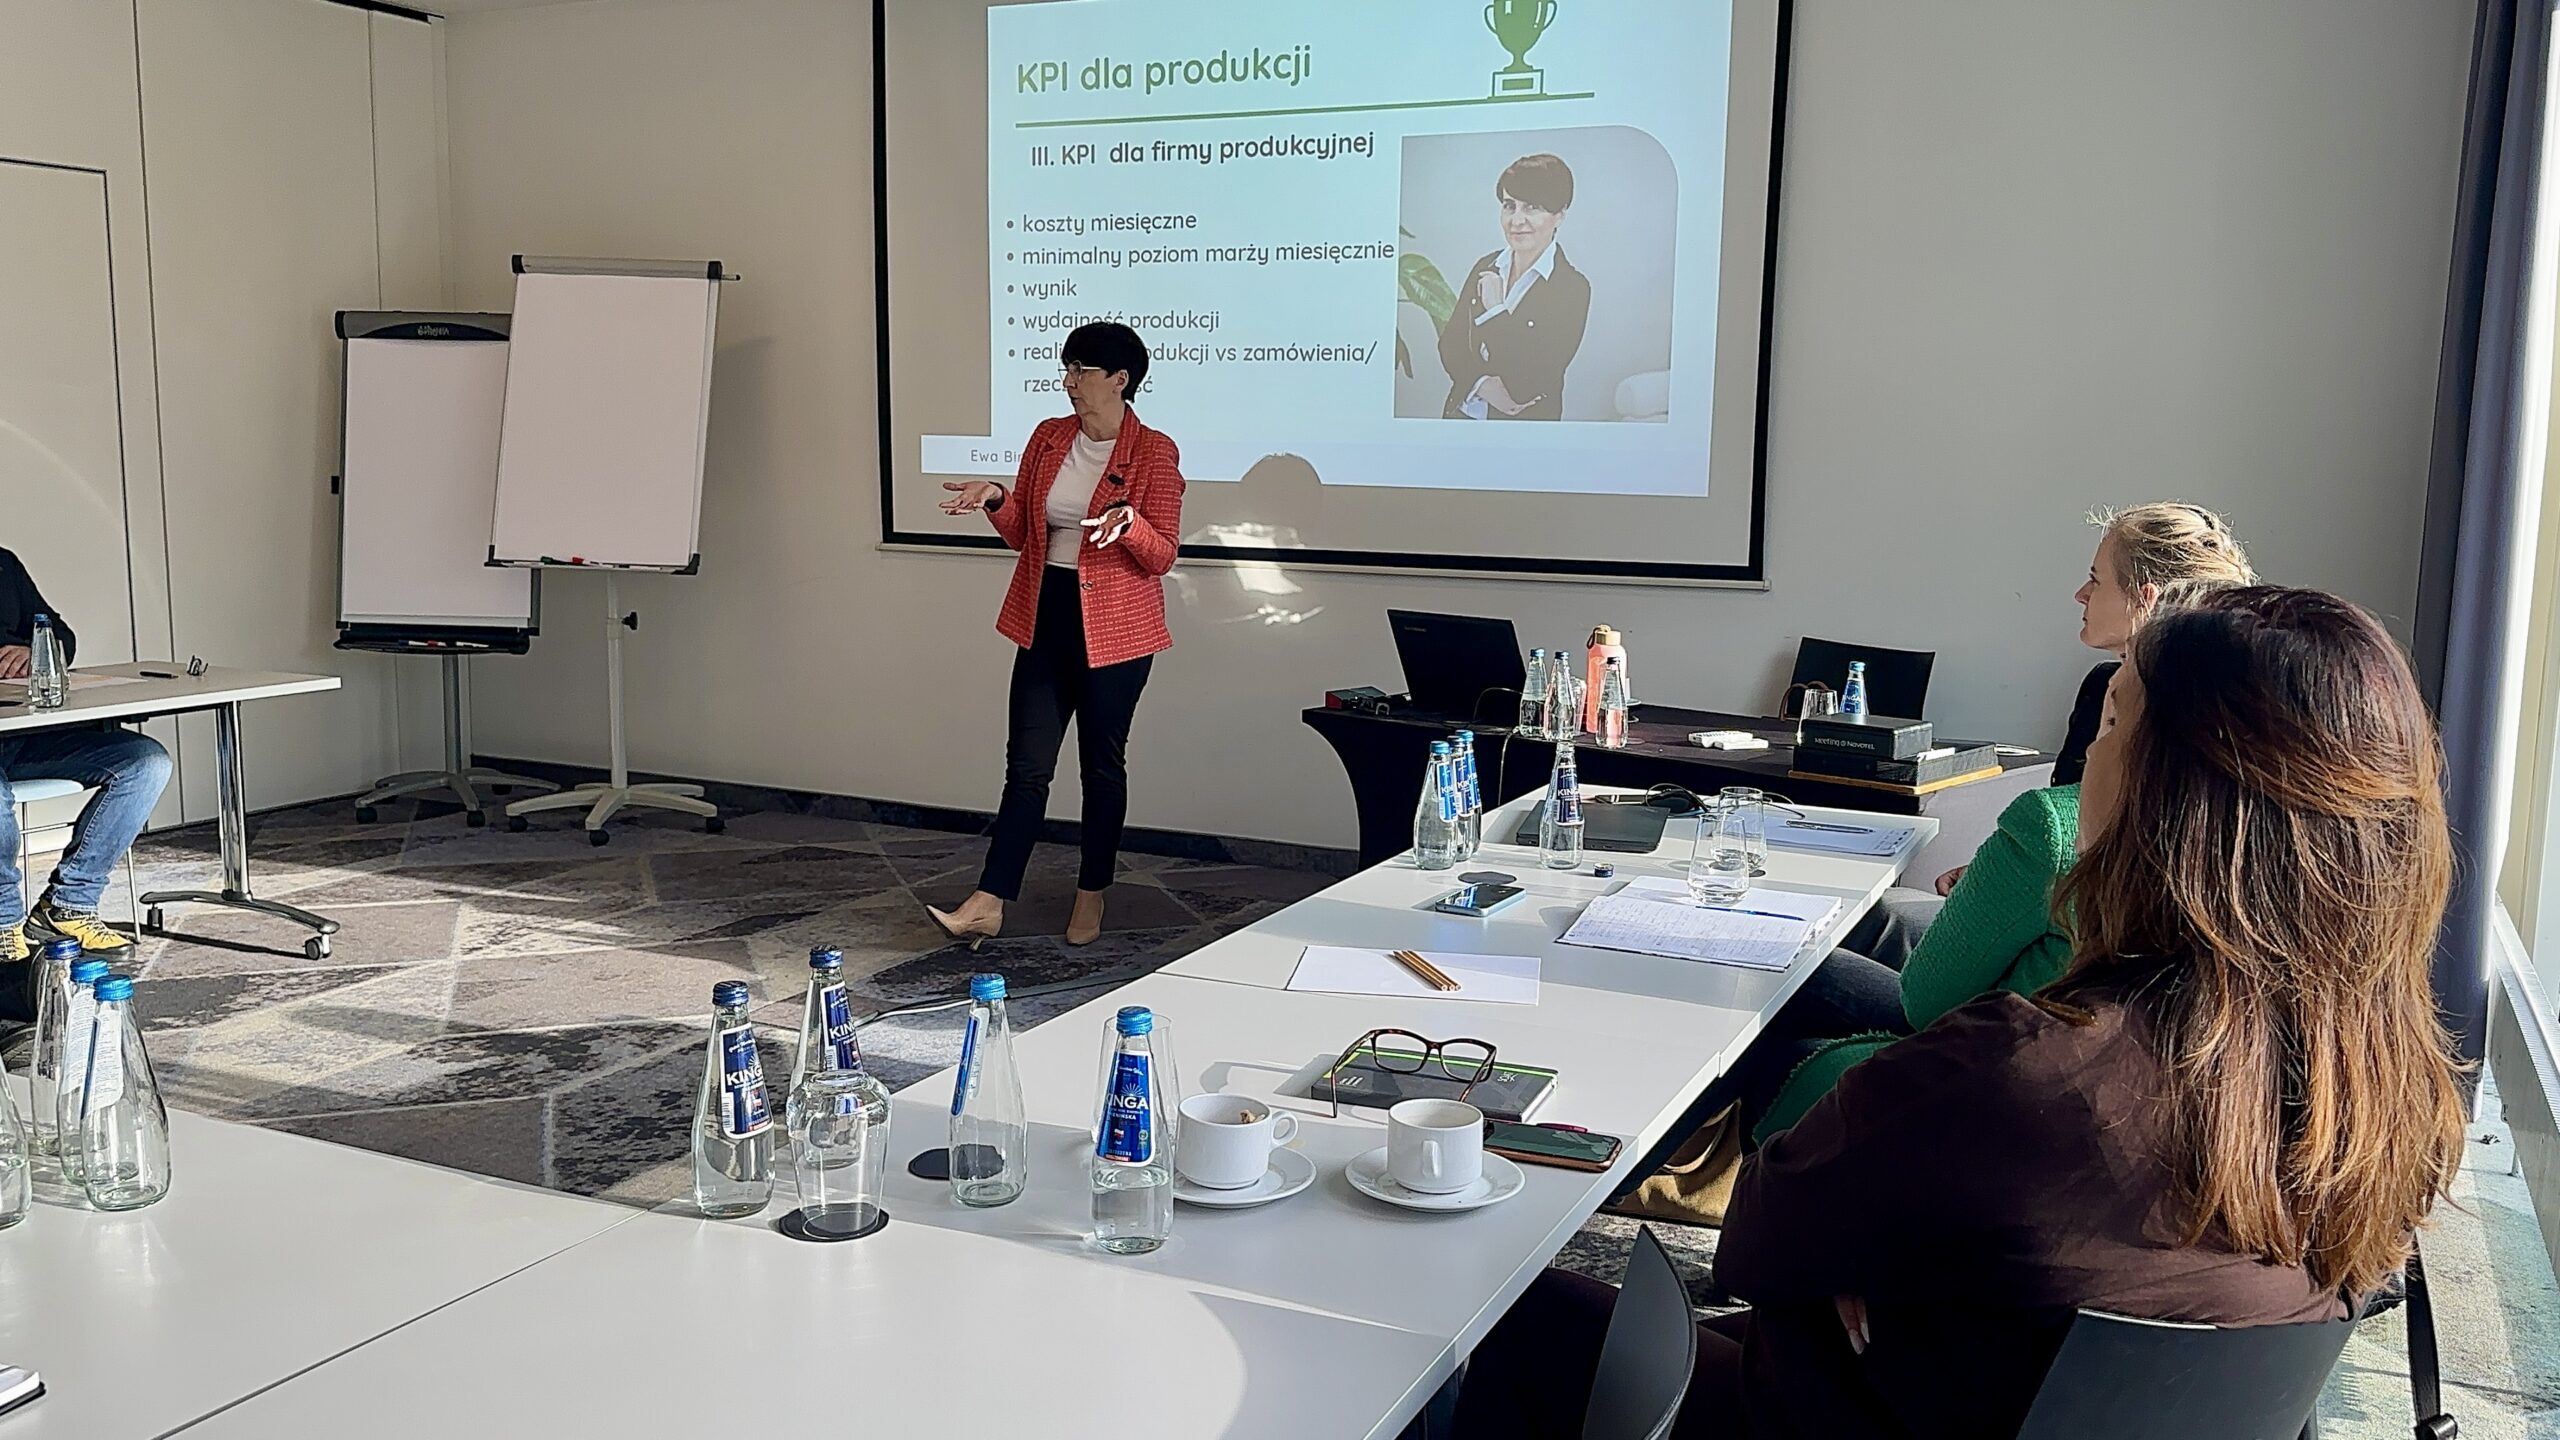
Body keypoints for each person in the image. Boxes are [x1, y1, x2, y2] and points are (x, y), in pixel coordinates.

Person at [1459, 586, 2466, 1439]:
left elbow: (1753, 1244)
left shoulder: (2026, 1077)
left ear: (2176, 798)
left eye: (2112, 724)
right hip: (2006, 1394)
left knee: (1488, 1311)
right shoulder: (2394, 1084)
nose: (2088, 759)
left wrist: (1881, 1289)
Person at [928, 323, 1184, 948]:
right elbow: (1024, 534)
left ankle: (1091, 892)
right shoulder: (1049, 437)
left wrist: (1130, 526)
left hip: (1117, 632)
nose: (1069, 382)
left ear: (1120, 379)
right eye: (1066, 369)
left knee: (1100, 768)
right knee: (1026, 768)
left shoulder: (1154, 452)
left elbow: (1163, 555)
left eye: (1081, 370)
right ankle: (988, 900)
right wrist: (996, 498)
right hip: (1045, 616)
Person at [0, 548, 174, 1022]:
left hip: (28, 731)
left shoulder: (3, 564)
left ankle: (67, 906)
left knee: (145, 762)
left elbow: (59, 633)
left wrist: (35, 649)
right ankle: (3, 924)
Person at [1436, 153, 1590, 421]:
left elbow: (1528, 382)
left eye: (1532, 207)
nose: (1516, 221)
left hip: (1523, 431)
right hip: (1461, 419)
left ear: (1559, 215)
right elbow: (1450, 344)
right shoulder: (1486, 265)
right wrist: (1481, 384)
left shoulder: (1572, 288)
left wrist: (1496, 310)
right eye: (1509, 206)